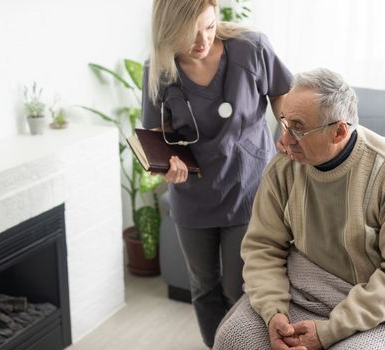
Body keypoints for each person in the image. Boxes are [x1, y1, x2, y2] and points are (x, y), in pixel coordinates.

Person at [234, 68, 385, 349]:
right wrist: (274, 313)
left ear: (339, 131)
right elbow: (262, 246)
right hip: (310, 283)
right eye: (284, 123)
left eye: (298, 128)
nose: (284, 140)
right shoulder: (284, 166)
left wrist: (329, 331)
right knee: (235, 337)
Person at [141, 0, 293, 348]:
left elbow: (282, 92)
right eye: (189, 33)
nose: (202, 41)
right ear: (167, 31)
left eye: (209, 27)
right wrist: (168, 167)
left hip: (248, 186)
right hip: (193, 196)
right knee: (204, 287)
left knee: (238, 288)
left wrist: (288, 129)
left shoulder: (251, 48)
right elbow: (157, 135)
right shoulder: (159, 68)